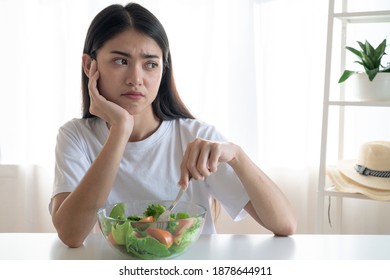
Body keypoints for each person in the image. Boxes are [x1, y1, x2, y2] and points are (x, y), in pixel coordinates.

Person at [50, 2, 297, 248]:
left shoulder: (196, 136)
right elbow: (71, 234)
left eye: (150, 64)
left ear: (163, 69)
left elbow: (284, 224)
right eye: (121, 61)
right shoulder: (76, 136)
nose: (136, 79)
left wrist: (237, 156)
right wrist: (120, 129)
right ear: (89, 65)